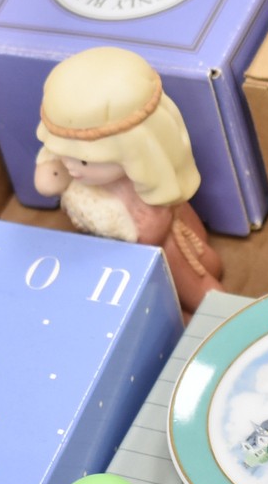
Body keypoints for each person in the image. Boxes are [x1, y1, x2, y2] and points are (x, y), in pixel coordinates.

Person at [34, 46, 223, 311]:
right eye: (66, 155)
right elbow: (47, 184)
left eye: (85, 161)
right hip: (104, 258)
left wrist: (145, 236)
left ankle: (210, 309)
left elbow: (150, 236)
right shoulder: (69, 167)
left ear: (133, 154)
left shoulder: (144, 192)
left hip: (147, 253)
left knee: (188, 275)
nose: (73, 169)